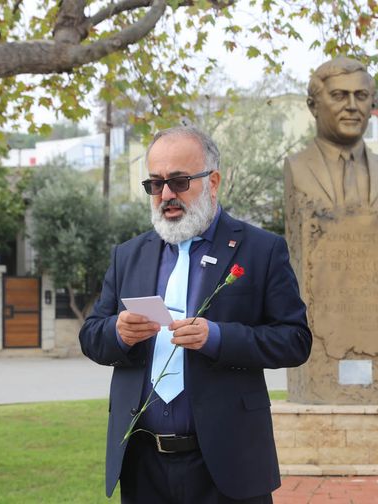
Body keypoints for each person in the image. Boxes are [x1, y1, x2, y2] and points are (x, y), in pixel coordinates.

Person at [79, 125, 312, 503]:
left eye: (179, 181)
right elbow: (91, 336)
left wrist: (218, 337)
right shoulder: (129, 255)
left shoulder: (261, 249)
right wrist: (118, 333)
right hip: (142, 464)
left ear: (213, 181)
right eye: (155, 184)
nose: (166, 195)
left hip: (228, 463)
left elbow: (295, 340)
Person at [284, 56, 378, 211]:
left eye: (361, 96)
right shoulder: (297, 167)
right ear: (313, 106)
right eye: (338, 95)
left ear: (371, 105)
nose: (352, 106)